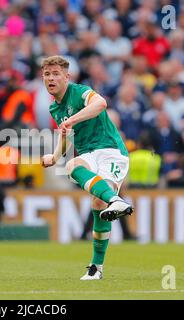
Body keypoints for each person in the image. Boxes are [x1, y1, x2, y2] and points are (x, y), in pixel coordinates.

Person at [40, 55, 133, 280]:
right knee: (74, 167)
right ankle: (96, 269)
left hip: (111, 150)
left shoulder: (80, 91)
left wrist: (73, 119)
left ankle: (96, 265)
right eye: (46, 74)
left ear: (66, 77)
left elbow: (100, 104)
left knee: (98, 200)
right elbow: (66, 131)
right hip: (89, 154)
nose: (50, 78)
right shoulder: (55, 108)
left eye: (55, 74)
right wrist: (54, 156)